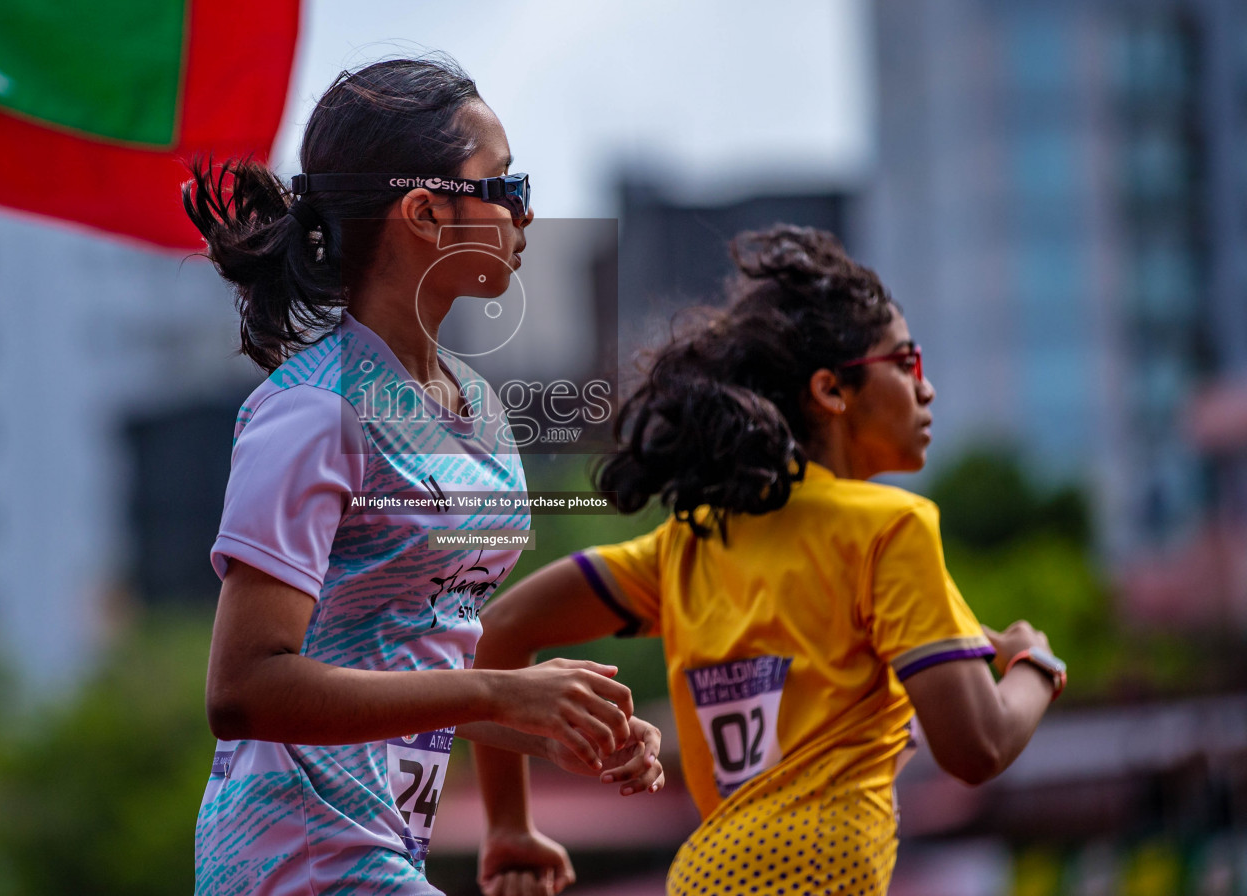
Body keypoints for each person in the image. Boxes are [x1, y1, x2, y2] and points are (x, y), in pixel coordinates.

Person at [186, 57, 663, 896]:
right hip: (295, 860)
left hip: (382, 851)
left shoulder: (473, 406)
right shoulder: (311, 413)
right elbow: (244, 688)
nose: (528, 211)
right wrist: (505, 690)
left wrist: (558, 725)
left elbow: (409, 668)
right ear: (425, 211)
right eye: (505, 183)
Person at [473, 227, 1065, 896]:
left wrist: (508, 826)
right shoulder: (891, 527)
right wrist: (1034, 666)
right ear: (832, 391)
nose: (926, 390)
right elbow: (976, 747)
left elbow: (496, 631)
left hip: (705, 876)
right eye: (907, 362)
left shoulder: (686, 545)